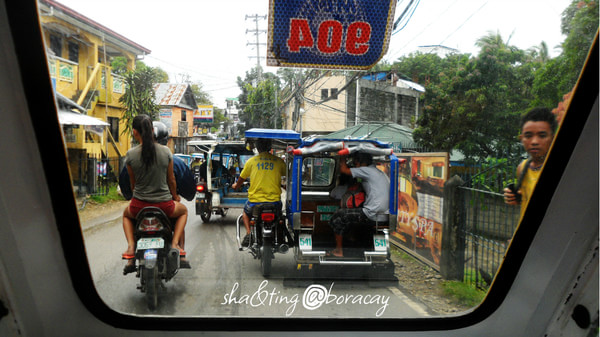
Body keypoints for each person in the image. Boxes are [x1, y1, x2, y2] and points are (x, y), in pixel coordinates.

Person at [121, 115, 190, 274]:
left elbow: (133, 184)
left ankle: (131, 247)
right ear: (153, 130)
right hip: (164, 206)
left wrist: (136, 197)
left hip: (139, 206)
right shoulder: (166, 151)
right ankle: (174, 244)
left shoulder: (130, 155)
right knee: (184, 211)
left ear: (134, 132)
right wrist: (175, 197)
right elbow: (171, 180)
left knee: (126, 215)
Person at [328, 152, 390, 257]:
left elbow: (344, 170)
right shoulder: (380, 173)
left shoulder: (367, 170)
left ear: (362, 162)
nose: (355, 165)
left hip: (371, 214)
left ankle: (339, 250)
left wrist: (342, 155)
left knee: (338, 216)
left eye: (356, 162)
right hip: (384, 215)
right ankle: (352, 238)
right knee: (352, 215)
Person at [231, 138, 286, 246]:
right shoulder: (279, 161)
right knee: (280, 217)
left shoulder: (251, 162)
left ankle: (248, 234)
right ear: (270, 147)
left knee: (245, 214)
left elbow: (241, 178)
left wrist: (236, 186)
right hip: (274, 202)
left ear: (258, 148)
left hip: (255, 202)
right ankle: (279, 235)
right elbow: (288, 176)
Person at [503, 107, 557, 216]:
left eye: (542, 136)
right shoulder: (522, 168)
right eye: (528, 136)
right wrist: (515, 198)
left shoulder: (567, 170)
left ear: (553, 138)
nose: (534, 142)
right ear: (521, 138)